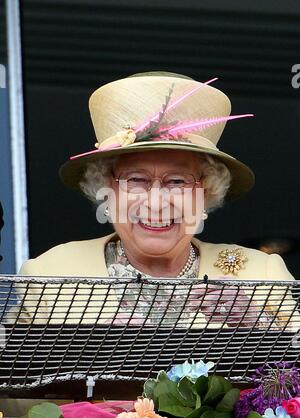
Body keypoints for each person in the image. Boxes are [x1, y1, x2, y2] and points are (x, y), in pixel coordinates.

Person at [4, 71, 299, 330]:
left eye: (176, 182)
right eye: (136, 180)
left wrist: (259, 326)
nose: (156, 203)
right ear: (108, 190)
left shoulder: (261, 275)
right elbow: (14, 388)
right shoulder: (49, 275)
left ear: (205, 193)